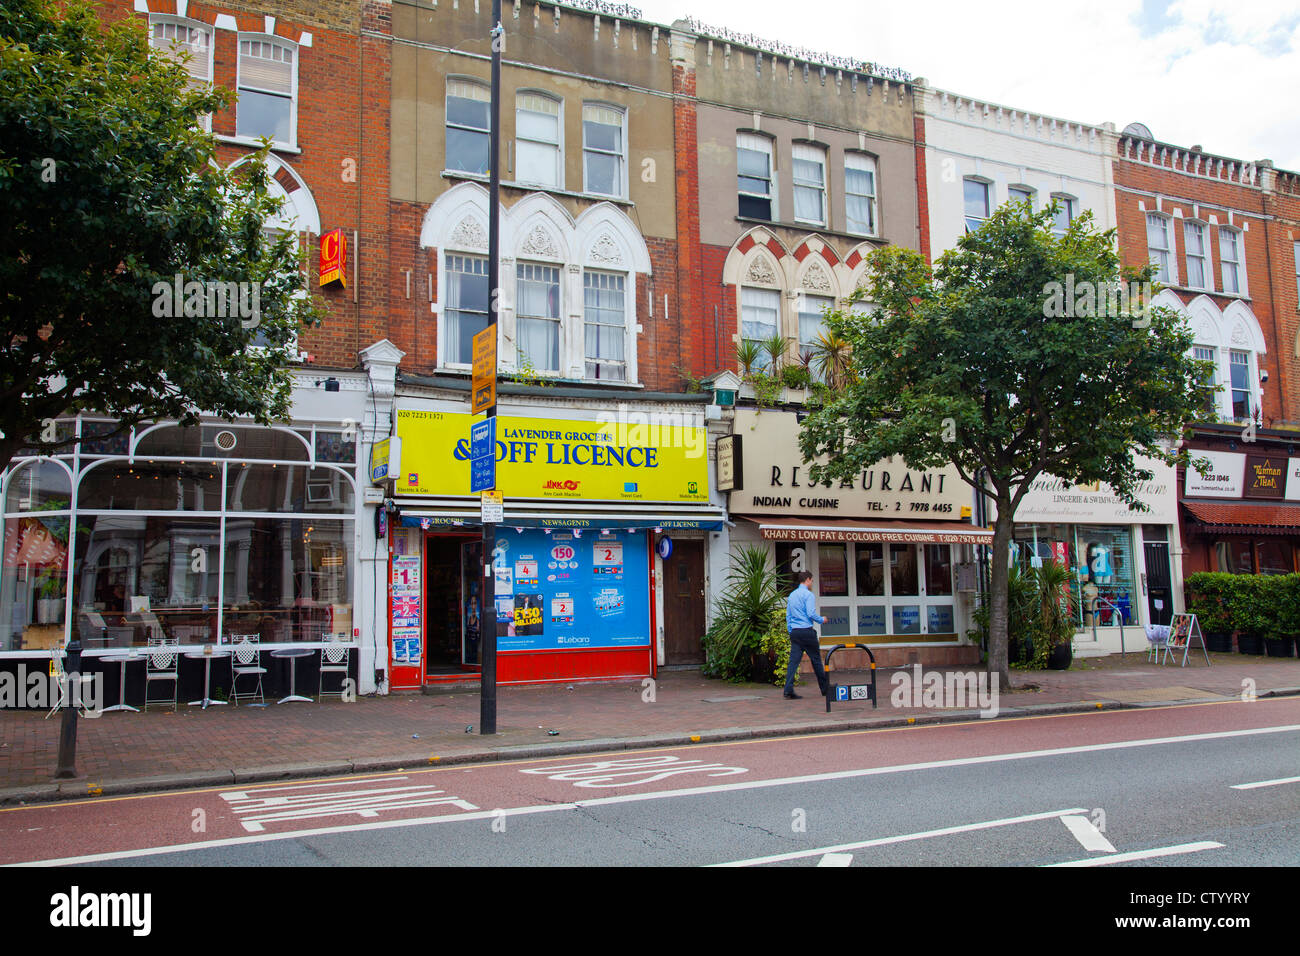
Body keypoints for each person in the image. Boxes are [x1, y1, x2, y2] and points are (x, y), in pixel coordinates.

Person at [784, 570, 829, 700]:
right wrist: (822, 619)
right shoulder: (809, 595)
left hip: (796, 633)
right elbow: (810, 613)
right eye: (812, 580)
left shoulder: (792, 595)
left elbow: (788, 615)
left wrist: (790, 630)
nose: (812, 583)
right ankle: (825, 688)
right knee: (816, 660)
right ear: (808, 580)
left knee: (793, 662)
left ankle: (788, 690)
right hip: (807, 632)